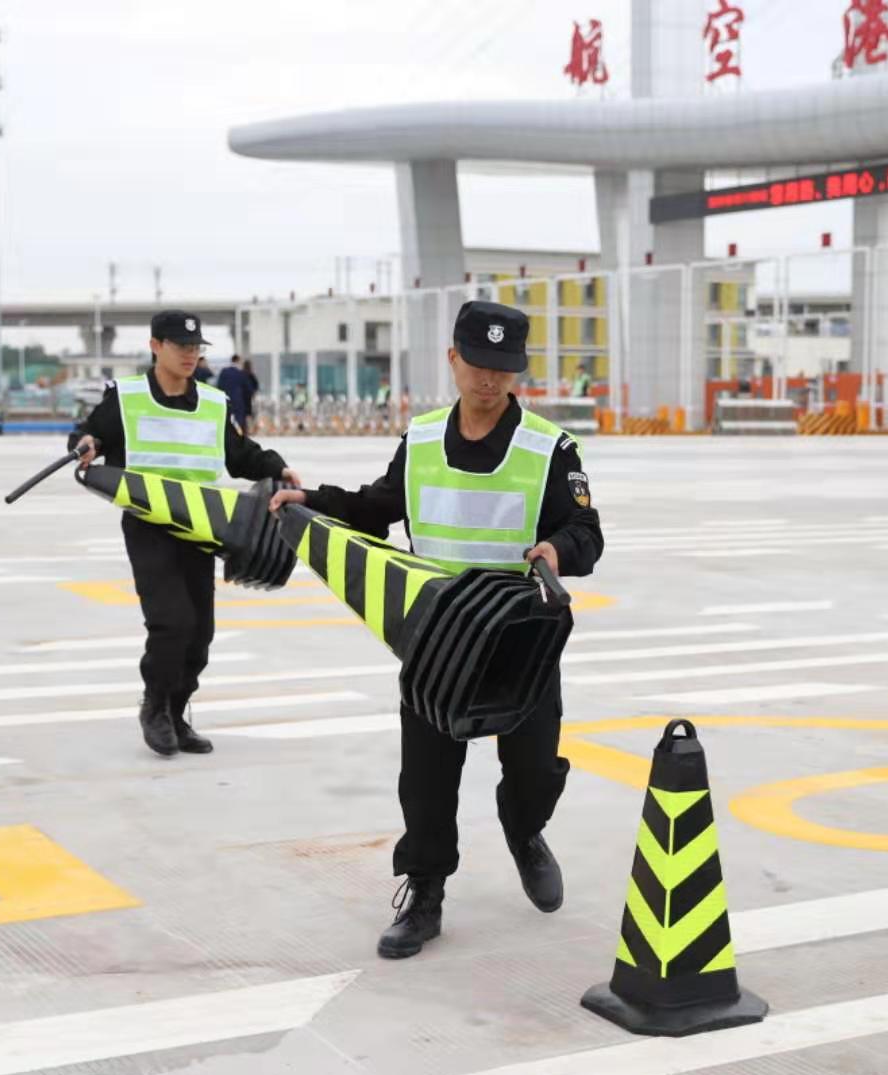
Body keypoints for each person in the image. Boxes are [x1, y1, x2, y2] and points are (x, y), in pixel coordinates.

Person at [269, 300, 603, 960]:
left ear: (519, 371)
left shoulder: (550, 448)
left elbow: (587, 533)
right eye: (477, 364)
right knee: (425, 779)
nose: (488, 380)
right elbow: (375, 507)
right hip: (438, 637)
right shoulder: (421, 439)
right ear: (453, 359)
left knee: (533, 770)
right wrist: (318, 503)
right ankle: (424, 890)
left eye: (502, 369)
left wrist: (555, 551)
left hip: (519, 638)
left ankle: (525, 830)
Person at [70, 310, 301, 757]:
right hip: (148, 525)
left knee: (201, 633)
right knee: (171, 622)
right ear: (156, 346)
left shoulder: (214, 403)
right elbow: (92, 434)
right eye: (181, 346)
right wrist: (85, 445)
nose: (191, 354)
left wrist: (276, 467)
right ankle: (154, 706)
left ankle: (177, 711)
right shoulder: (127, 397)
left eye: (196, 347)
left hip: (200, 527)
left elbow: (239, 454)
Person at [216, 355, 251, 434]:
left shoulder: (224, 371)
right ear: (238, 361)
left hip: (225, 401)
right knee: (239, 423)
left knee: (226, 421)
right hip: (239, 402)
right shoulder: (241, 373)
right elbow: (248, 390)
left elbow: (219, 386)